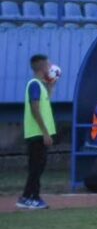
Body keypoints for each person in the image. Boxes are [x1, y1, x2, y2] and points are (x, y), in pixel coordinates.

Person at [19, 54, 56, 210]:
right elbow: (35, 109)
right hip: (37, 134)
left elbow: (45, 100)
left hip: (40, 133)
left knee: (39, 166)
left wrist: (52, 85)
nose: (50, 67)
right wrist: (45, 132)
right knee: (36, 166)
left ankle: (30, 196)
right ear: (42, 68)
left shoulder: (40, 85)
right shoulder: (34, 84)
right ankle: (30, 197)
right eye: (48, 65)